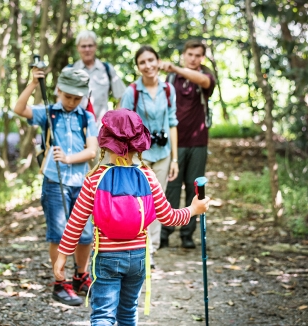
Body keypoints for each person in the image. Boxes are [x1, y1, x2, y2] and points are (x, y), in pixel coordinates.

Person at [53, 109, 210, 326]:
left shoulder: (94, 180)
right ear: (138, 145)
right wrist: (193, 209)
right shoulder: (148, 176)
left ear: (105, 143)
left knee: (103, 316)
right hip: (138, 258)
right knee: (127, 312)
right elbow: (169, 217)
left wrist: (62, 257)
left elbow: (76, 222)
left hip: (106, 258)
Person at [13, 67, 99, 306]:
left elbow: (92, 150)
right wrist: (32, 84)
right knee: (59, 234)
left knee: (84, 234)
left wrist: (68, 158)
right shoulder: (49, 113)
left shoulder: (86, 117)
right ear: (59, 90)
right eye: (68, 96)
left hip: (81, 183)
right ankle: (60, 283)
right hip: (55, 182)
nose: (72, 102)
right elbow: (19, 109)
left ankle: (81, 276)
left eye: (77, 97)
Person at [119, 45, 179, 259]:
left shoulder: (168, 90)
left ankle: (151, 249)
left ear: (158, 61)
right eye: (142, 62)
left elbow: (172, 123)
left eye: (151, 60)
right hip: (138, 155)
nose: (148, 66)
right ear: (138, 67)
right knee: (138, 200)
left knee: (157, 200)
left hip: (163, 153)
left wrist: (175, 159)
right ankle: (138, 246)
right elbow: (122, 125)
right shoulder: (132, 92)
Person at [159, 40, 216, 249]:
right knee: (171, 186)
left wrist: (174, 67)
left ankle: (188, 233)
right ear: (184, 54)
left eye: (197, 55)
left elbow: (204, 81)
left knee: (195, 186)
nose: (193, 58)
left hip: (198, 141)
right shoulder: (172, 78)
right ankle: (166, 231)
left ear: (202, 57)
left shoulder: (205, 75)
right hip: (174, 141)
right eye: (190, 54)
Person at [69, 30, 126, 126]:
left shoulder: (106, 69)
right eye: (83, 46)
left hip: (101, 129)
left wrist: (114, 119)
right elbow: (60, 99)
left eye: (90, 45)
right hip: (75, 127)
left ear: (95, 46)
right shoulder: (70, 70)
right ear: (77, 48)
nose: (87, 49)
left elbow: (123, 95)